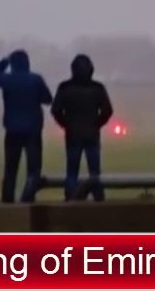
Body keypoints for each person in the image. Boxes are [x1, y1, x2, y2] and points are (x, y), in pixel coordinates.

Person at [0, 49, 52, 203]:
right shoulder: (36, 79)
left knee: (10, 169)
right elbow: (48, 99)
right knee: (33, 169)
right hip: (33, 130)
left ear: (13, 64)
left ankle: (8, 200)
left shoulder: (7, 79)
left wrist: (4, 61)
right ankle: (28, 198)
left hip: (12, 129)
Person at [50, 53, 114, 201]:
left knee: (72, 171)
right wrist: (97, 124)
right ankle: (98, 197)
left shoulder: (65, 87)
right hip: (92, 133)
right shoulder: (97, 88)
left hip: (72, 133)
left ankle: (71, 197)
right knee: (94, 171)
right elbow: (107, 111)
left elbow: (56, 110)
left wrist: (66, 125)